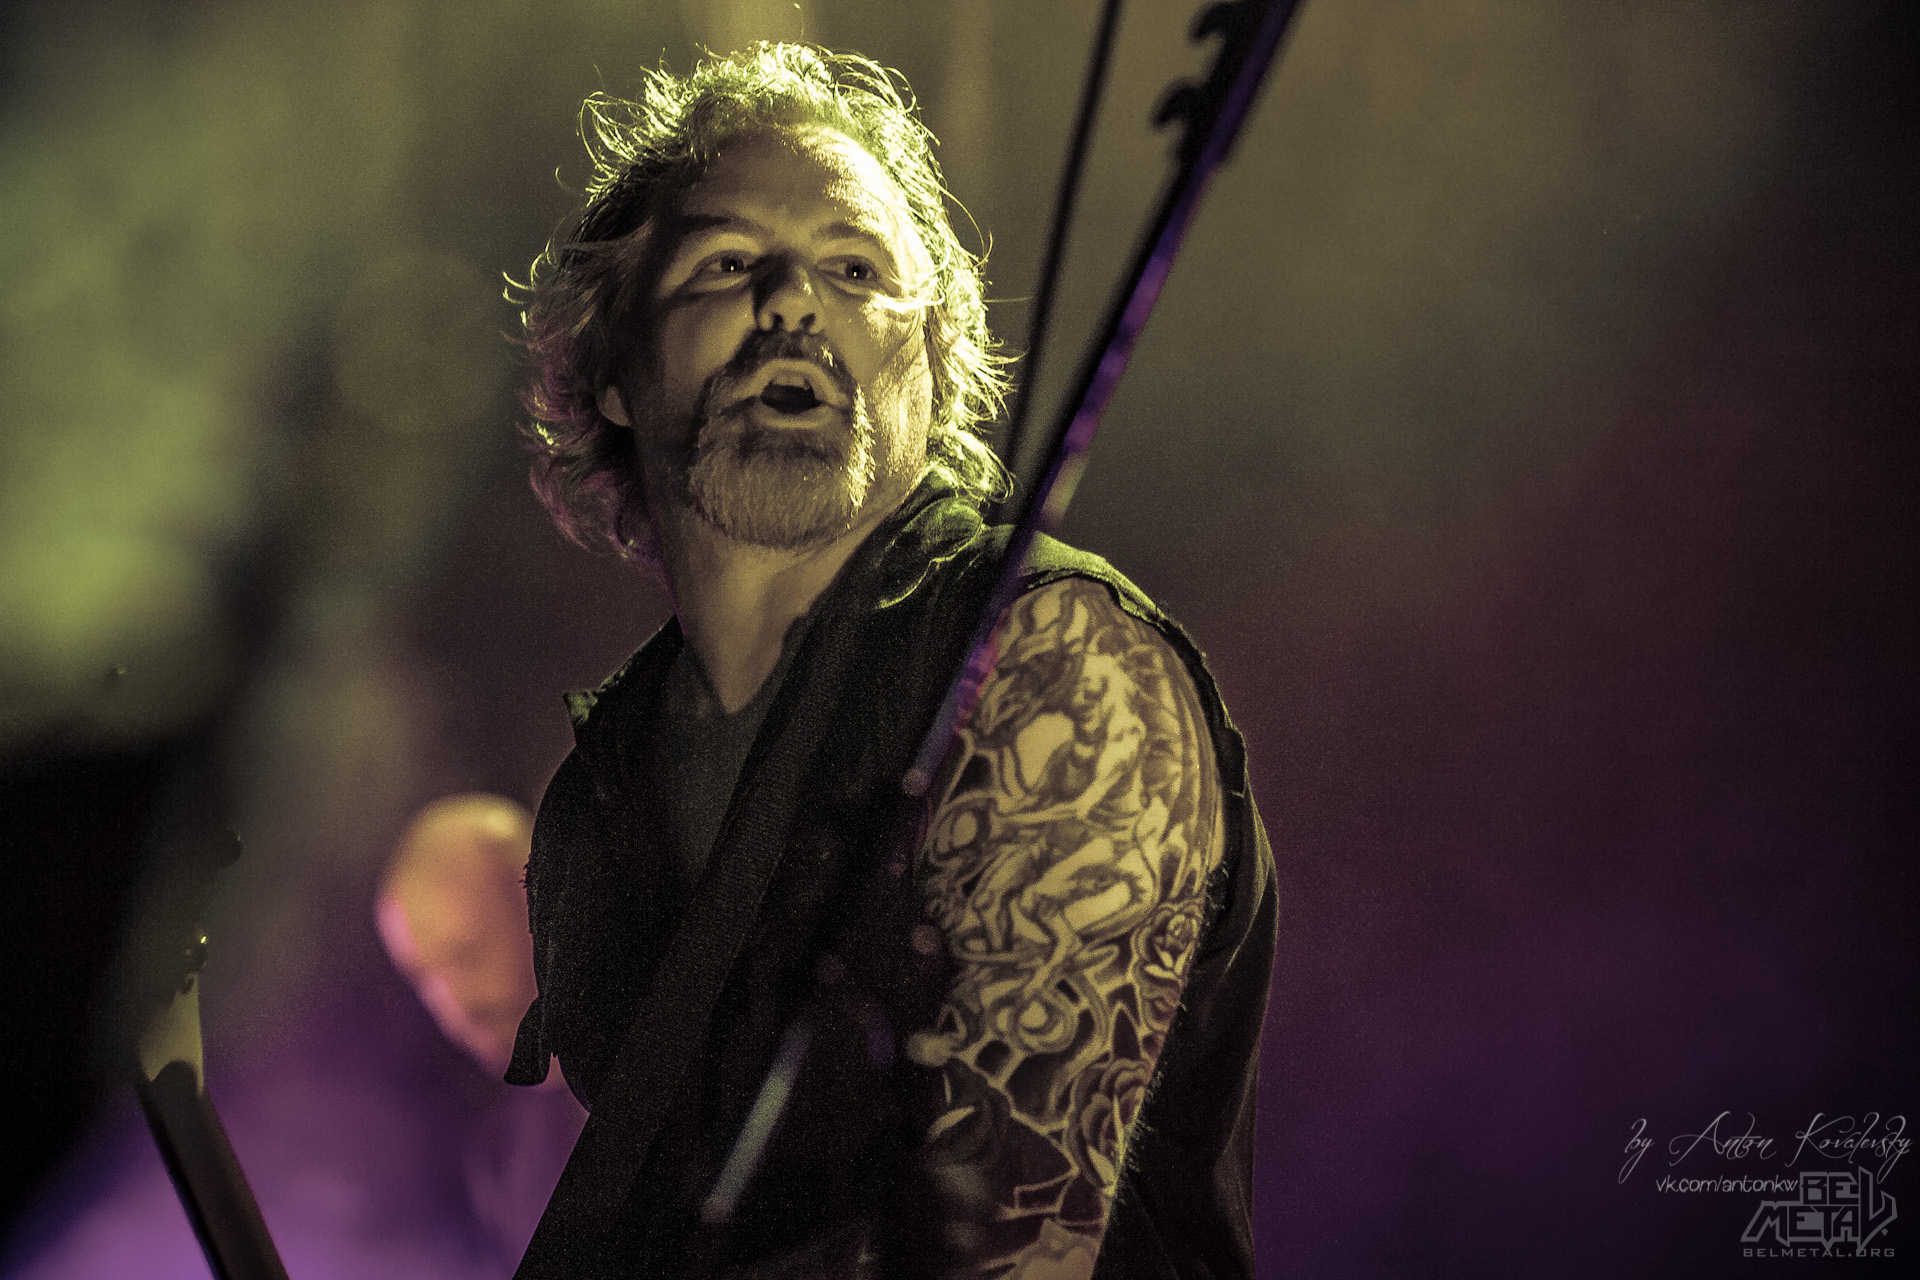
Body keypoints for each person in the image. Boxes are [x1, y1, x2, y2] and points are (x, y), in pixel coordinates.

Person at [505, 43, 1277, 1279]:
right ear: (613, 369)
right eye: (725, 261)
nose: (793, 301)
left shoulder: (1050, 664)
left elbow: (1007, 1245)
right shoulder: (593, 807)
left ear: (933, 362)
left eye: (857, 269)